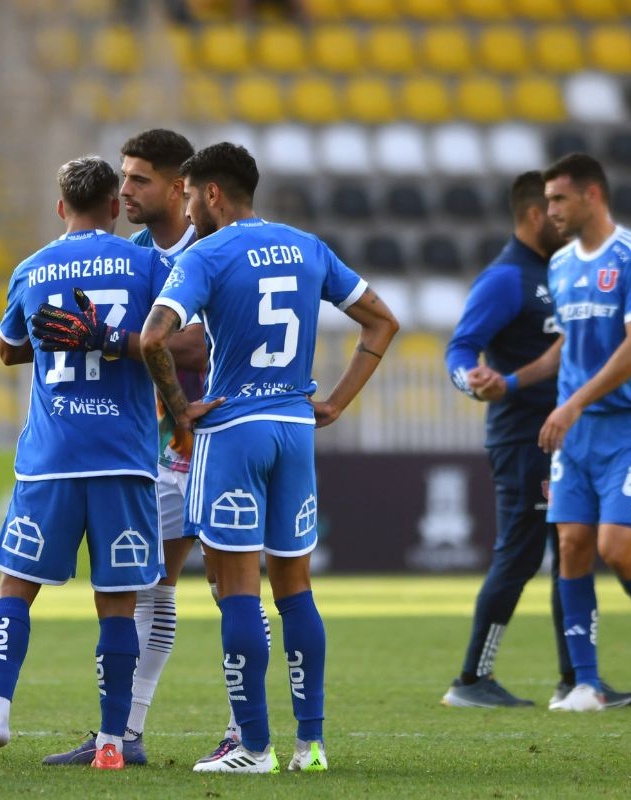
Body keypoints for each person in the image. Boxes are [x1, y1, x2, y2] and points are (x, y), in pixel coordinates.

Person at [141, 143, 399, 773]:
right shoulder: (307, 246)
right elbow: (382, 322)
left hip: (233, 430)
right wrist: (334, 402)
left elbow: (153, 338)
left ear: (212, 195)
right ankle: (310, 746)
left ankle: (253, 747)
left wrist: (180, 410)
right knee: (296, 589)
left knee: (235, 592)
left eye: (192, 195)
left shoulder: (205, 252)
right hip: (294, 429)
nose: (190, 207)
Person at [0, 156, 211, 771]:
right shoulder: (149, 262)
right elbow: (192, 341)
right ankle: (109, 741)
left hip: (50, 456)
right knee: (119, 602)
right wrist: (118, 341)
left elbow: (9, 347)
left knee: (15, 588)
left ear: (60, 207)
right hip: (123, 457)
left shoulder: (33, 267)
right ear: (112, 206)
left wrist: (63, 337)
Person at [485, 153, 631, 712]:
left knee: (616, 548)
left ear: (592, 196)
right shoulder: (563, 264)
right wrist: (513, 380)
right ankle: (587, 684)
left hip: (630, 426)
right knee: (570, 545)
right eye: (546, 201)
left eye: (558, 200)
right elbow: (569, 344)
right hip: (578, 430)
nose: (549, 212)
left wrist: (569, 405)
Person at [442, 172, 631, 710]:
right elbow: (461, 348)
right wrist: (472, 380)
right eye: (552, 211)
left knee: (571, 551)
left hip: (566, 434)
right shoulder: (507, 278)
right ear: (533, 215)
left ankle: (578, 679)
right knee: (521, 555)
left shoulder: (562, 271)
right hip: (524, 437)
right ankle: (470, 679)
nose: (561, 220)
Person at [116, 128, 271, 766]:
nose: (125, 190)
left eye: (138, 180)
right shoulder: (129, 252)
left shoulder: (213, 246)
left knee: (226, 583)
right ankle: (126, 732)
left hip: (216, 437)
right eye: (123, 178)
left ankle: (245, 730)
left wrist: (107, 337)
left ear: (182, 188)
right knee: (153, 583)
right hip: (156, 446)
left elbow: (194, 345)